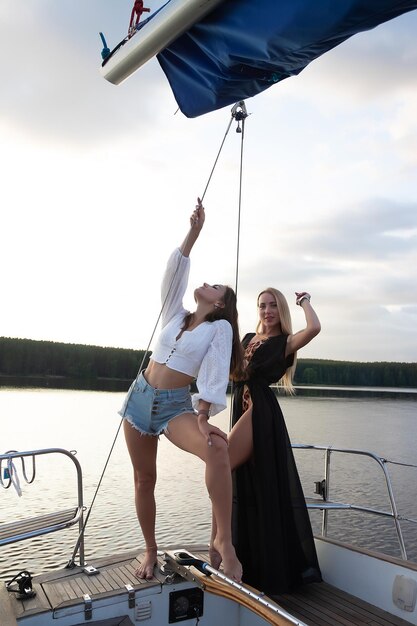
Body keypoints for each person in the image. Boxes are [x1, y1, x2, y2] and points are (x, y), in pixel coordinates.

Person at [120, 198, 244, 583]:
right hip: (139, 398)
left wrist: (204, 416)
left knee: (217, 449)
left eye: (214, 285)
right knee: (144, 479)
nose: (205, 283)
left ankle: (224, 541)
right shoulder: (175, 314)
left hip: (175, 407)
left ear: (220, 301)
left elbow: (212, 375)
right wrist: (194, 231)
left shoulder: (217, 329)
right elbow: (173, 274)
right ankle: (151, 548)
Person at [210, 287, 322, 594]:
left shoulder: (283, 343)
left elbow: (314, 328)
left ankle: (217, 547)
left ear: (280, 309)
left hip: (260, 413)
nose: (267, 311)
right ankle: (224, 549)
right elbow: (229, 364)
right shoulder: (247, 339)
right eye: (262, 306)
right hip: (241, 408)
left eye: (273, 305)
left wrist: (304, 302)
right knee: (231, 476)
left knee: (220, 467)